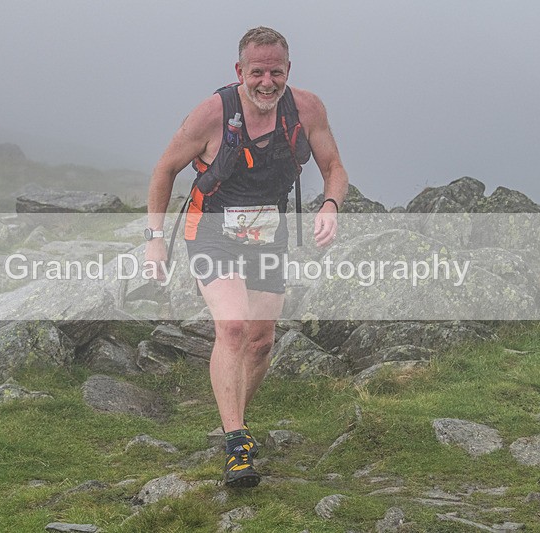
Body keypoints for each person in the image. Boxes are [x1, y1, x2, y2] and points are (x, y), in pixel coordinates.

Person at [144, 26, 348, 488]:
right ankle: (236, 444)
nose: (267, 82)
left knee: (260, 341)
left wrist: (331, 206)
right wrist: (154, 237)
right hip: (210, 230)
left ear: (288, 71)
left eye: (276, 72)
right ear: (240, 71)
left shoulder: (307, 109)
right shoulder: (212, 114)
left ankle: (234, 419)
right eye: (257, 72)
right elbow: (164, 169)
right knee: (232, 328)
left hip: (267, 234)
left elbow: (334, 167)